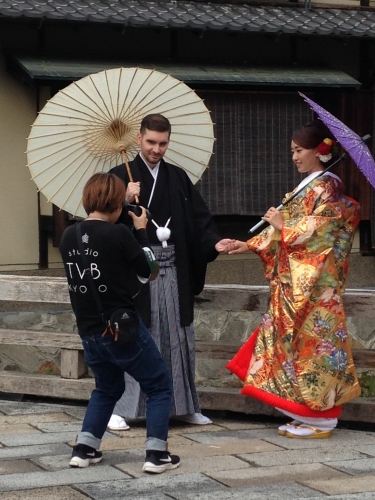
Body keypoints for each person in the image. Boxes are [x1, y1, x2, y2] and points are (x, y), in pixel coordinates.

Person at [225, 119, 361, 439]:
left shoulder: (326, 188)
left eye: (299, 151)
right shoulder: (310, 187)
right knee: (294, 349)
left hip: (315, 290)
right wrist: (248, 243)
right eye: (293, 151)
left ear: (320, 151)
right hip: (298, 286)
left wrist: (283, 224)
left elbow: (320, 234)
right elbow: (284, 235)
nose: (294, 157)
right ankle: (302, 413)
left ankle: (322, 419)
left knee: (315, 350)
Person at [108, 113, 232, 429]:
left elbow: (200, 220)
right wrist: (122, 201)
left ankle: (184, 405)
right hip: (137, 275)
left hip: (174, 271)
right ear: (139, 139)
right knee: (138, 337)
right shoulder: (118, 176)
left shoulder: (177, 178)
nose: (156, 149)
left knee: (179, 337)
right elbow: (100, 221)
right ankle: (121, 408)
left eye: (163, 143)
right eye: (151, 142)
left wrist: (214, 243)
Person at [59, 172, 180, 473]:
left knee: (106, 387)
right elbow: (149, 269)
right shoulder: (119, 234)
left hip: (88, 331)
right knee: (158, 384)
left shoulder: (67, 236)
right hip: (121, 328)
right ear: (117, 203)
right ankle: (156, 455)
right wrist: (140, 231)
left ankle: (84, 449)